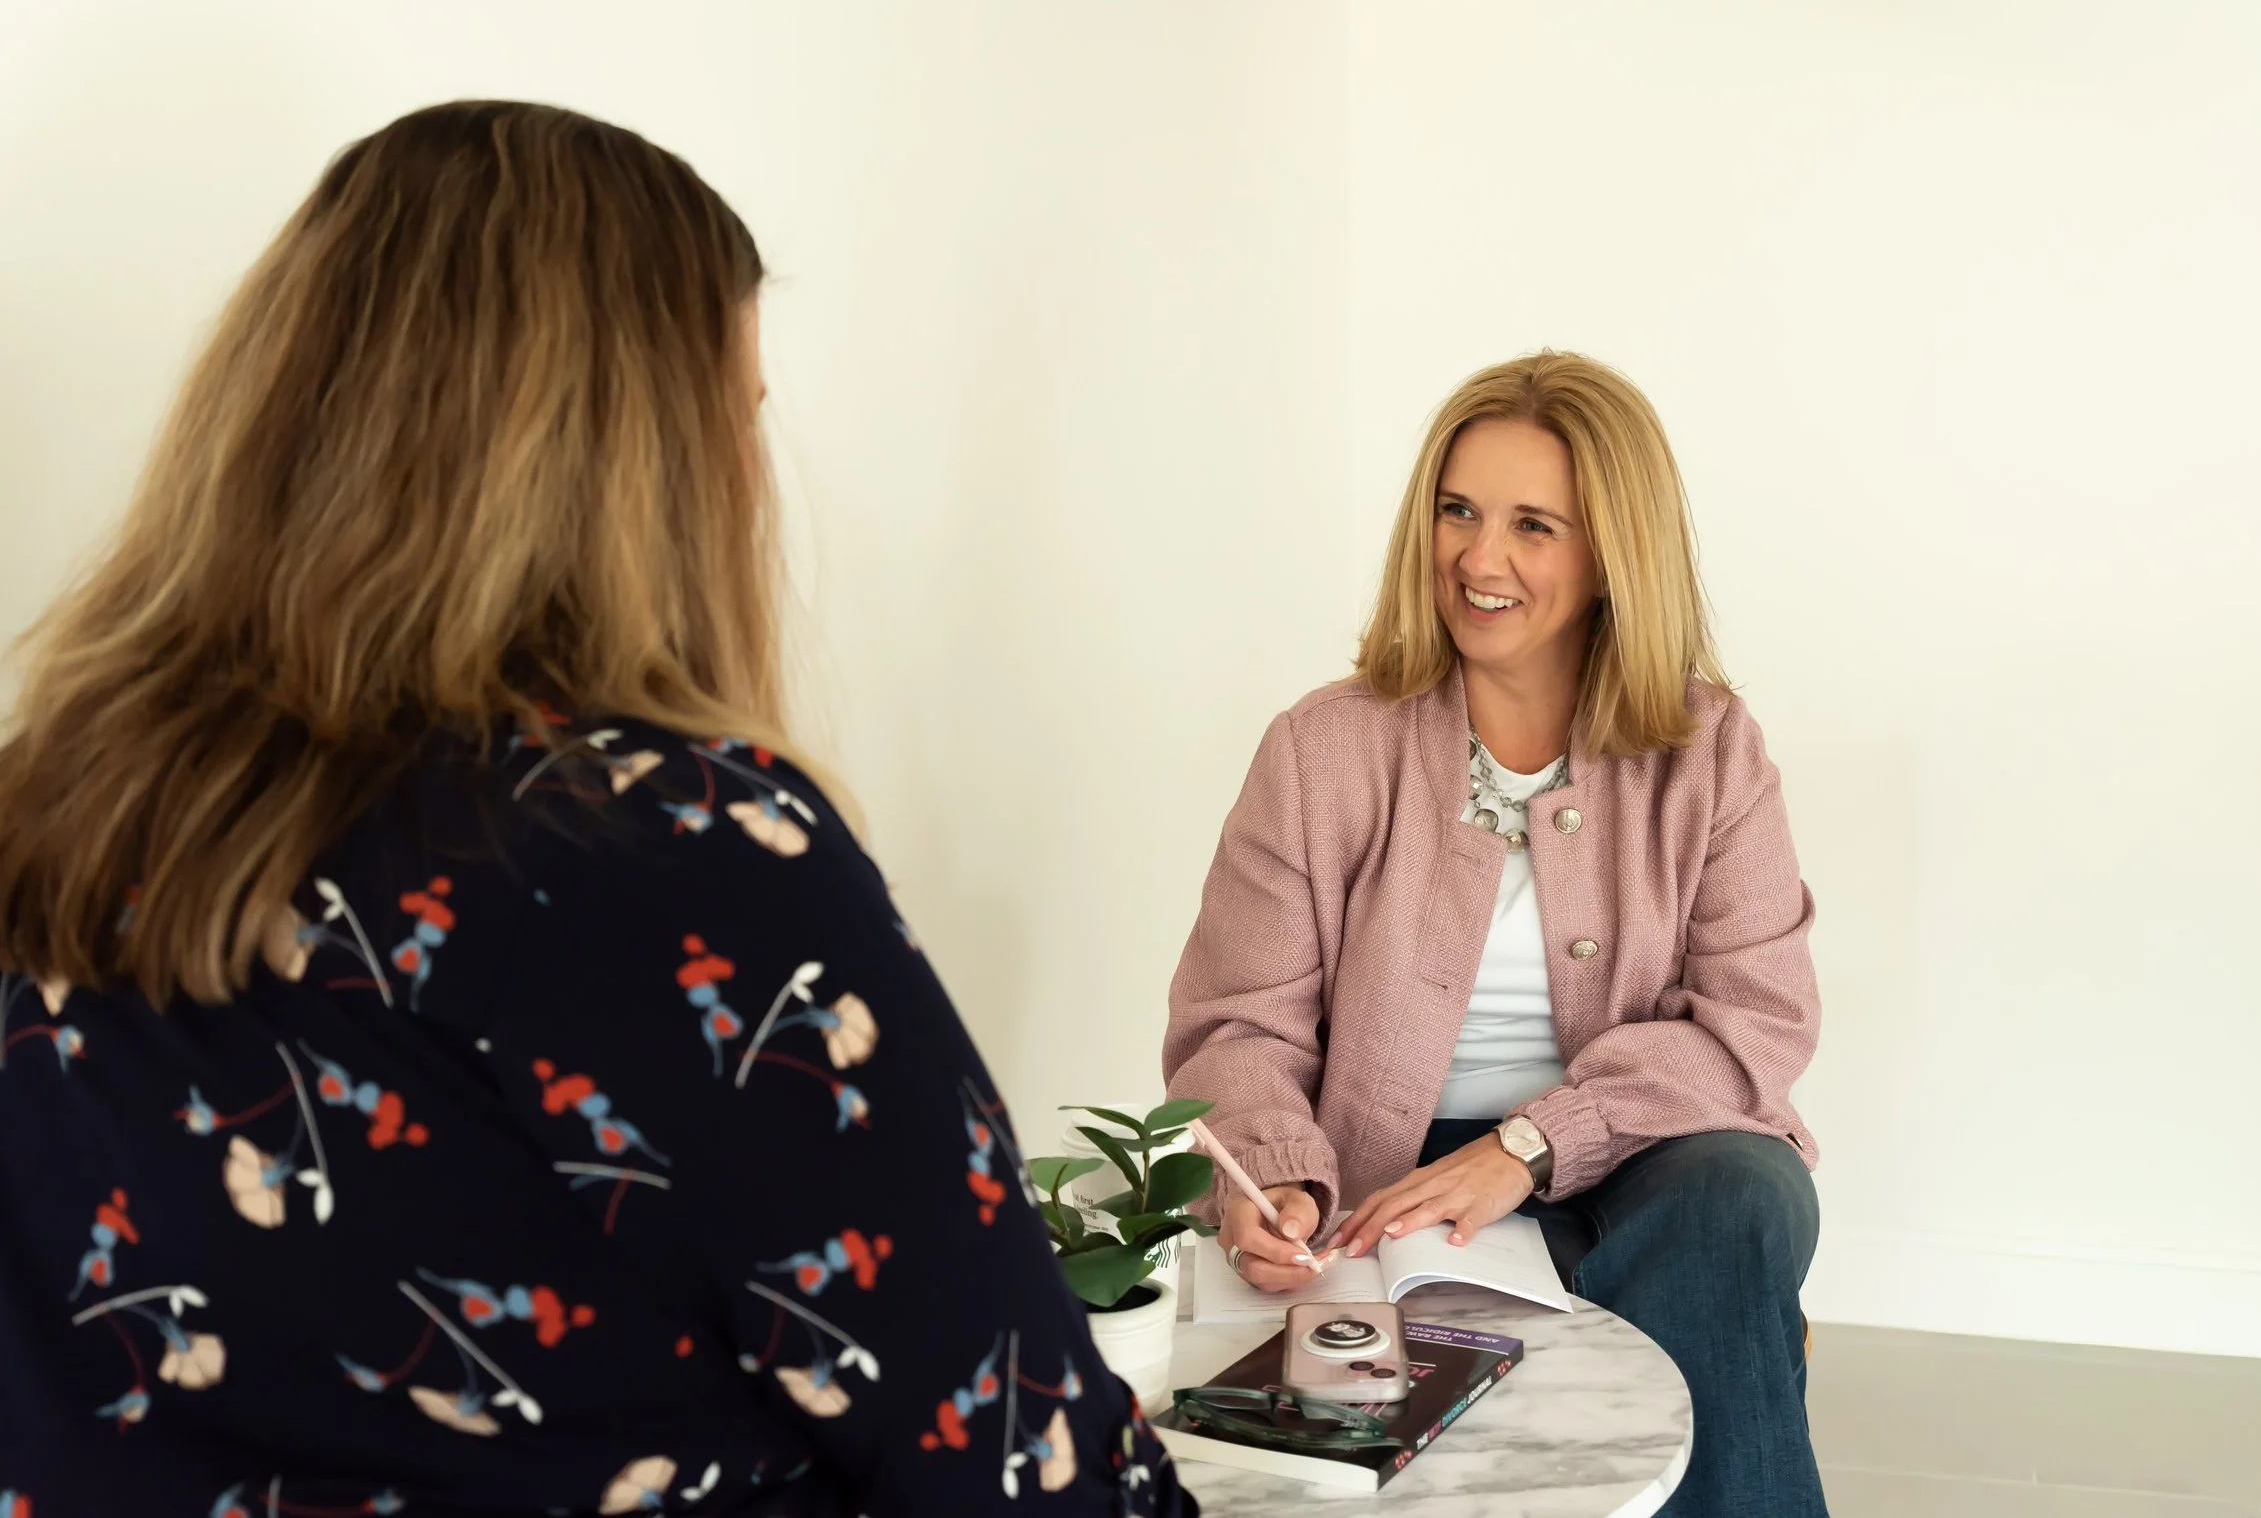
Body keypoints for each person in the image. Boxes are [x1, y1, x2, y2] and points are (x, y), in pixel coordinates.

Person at [0, 102, 1192, 1518]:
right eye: (735, 420)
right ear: (639, 461)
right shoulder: (665, 847)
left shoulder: (49, 818)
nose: (753, 478)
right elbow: (1018, 1457)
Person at [1164, 352, 1826, 1516]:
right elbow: (1237, 1019)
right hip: (1383, 1178)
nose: (1480, 558)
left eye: (1534, 525)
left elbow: (1757, 1020)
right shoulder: (1321, 749)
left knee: (1742, 1195)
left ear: (1615, 553)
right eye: (1458, 510)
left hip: (1636, 1165)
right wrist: (1278, 1182)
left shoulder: (1709, 750)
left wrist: (1528, 1148)